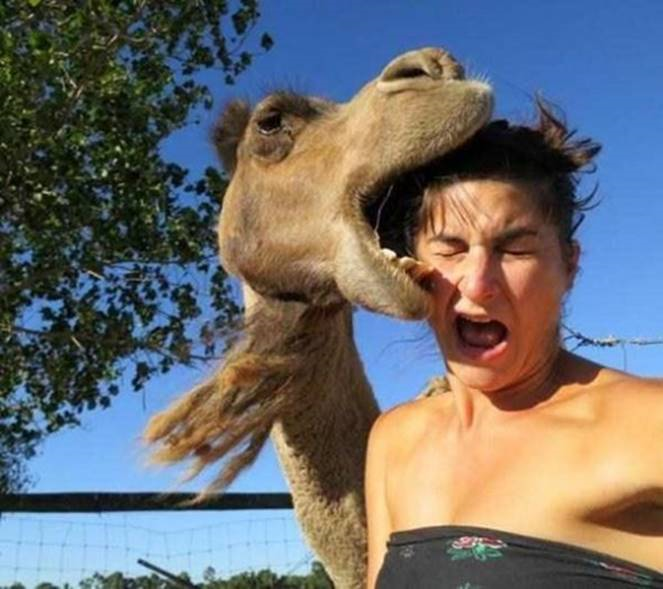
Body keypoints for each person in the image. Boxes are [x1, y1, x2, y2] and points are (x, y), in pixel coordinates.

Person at [365, 101, 663, 588]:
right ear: (412, 266)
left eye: (515, 248)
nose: (478, 283)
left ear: (569, 266)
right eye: (450, 249)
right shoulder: (394, 441)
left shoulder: (647, 422)